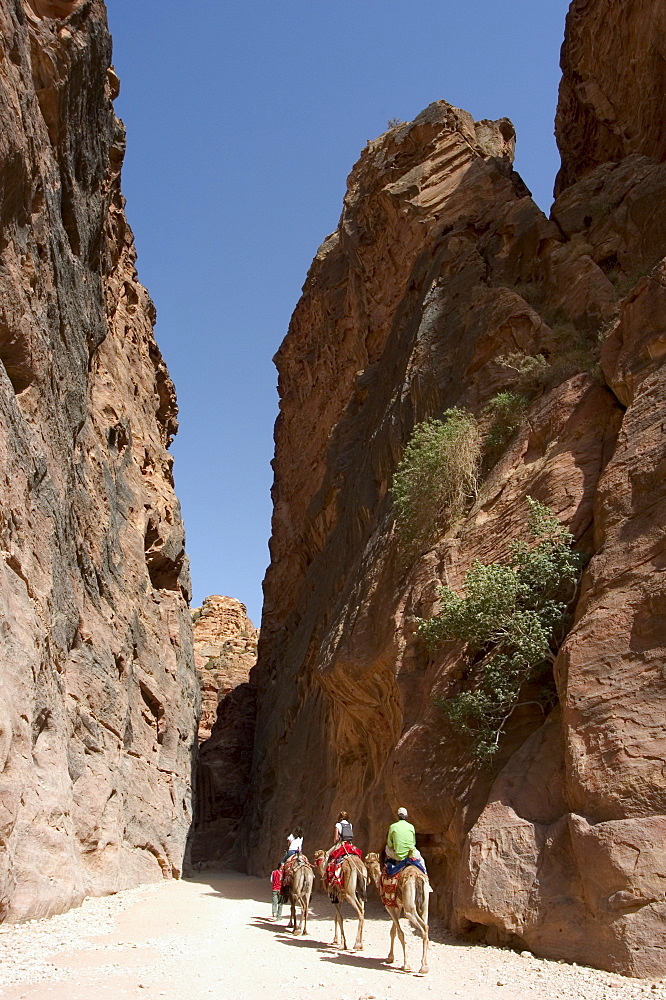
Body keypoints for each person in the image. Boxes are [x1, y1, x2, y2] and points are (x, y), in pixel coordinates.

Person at [385, 806, 429, 877]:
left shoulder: (392, 827)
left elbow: (389, 844)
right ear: (406, 816)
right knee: (421, 861)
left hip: (399, 856)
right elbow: (413, 843)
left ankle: (390, 869)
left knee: (387, 848)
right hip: (412, 855)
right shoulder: (411, 827)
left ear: (398, 816)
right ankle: (426, 877)